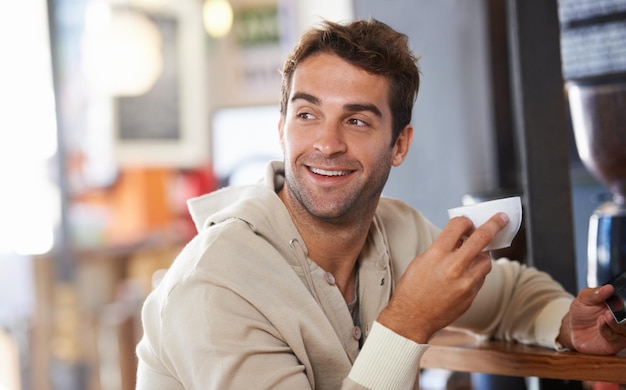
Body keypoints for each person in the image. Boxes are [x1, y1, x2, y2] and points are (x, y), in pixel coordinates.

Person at [135, 18, 626, 389]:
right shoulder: (215, 283)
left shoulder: (396, 230)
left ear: (400, 144)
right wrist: (410, 319)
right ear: (282, 128)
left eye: (357, 121)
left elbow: (509, 293)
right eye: (307, 114)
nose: (326, 144)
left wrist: (565, 323)